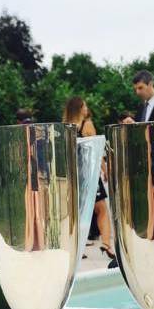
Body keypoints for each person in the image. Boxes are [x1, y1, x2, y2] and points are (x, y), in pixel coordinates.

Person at [63, 97, 116, 268]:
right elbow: (97, 149)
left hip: (74, 175)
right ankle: (106, 243)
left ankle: (76, 248)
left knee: (77, 213)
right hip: (89, 174)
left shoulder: (66, 127)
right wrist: (104, 168)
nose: (87, 108)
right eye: (85, 105)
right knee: (102, 210)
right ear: (79, 108)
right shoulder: (87, 124)